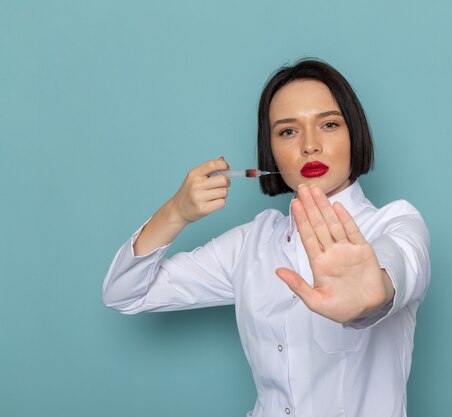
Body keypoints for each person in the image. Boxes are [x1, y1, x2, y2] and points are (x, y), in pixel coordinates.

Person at [103, 59, 430, 417]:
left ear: (355, 134)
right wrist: (175, 212)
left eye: (329, 124)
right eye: (288, 131)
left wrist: (375, 294)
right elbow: (125, 293)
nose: (309, 146)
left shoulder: (395, 223)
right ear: (269, 149)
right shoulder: (251, 244)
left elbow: (398, 264)